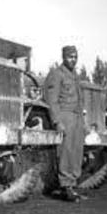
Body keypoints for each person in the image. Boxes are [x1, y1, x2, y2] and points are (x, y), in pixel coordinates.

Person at [44, 46, 86, 202]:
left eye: (75, 57)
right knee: (66, 152)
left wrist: (83, 123)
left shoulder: (75, 76)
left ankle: (72, 186)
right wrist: (57, 121)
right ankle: (66, 187)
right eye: (70, 57)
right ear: (63, 57)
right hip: (65, 116)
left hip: (77, 118)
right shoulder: (56, 74)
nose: (73, 60)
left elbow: (80, 101)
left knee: (76, 153)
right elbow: (52, 100)